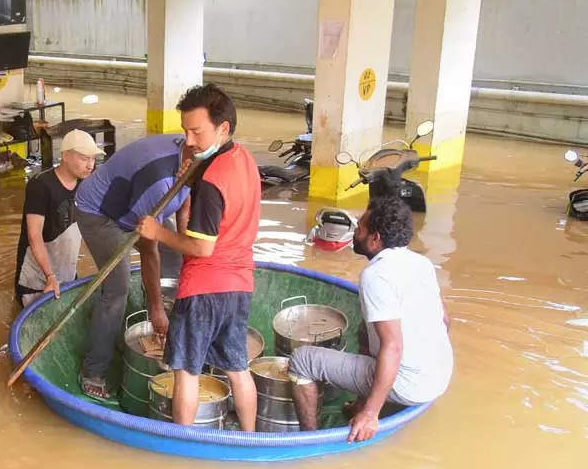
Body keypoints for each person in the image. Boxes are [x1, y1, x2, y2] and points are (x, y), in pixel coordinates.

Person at [136, 83, 261, 430]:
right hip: (239, 285)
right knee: (238, 368)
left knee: (187, 373)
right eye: (185, 131)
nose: (188, 141)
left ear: (223, 128)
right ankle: (250, 437)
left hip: (203, 288)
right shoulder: (244, 160)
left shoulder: (211, 182)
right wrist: (191, 178)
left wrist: (156, 232)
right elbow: (229, 205)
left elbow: (203, 247)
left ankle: (183, 442)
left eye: (197, 131)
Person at [286, 196, 452, 442]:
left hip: (410, 384)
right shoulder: (421, 263)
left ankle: (310, 438)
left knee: (302, 360)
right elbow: (445, 321)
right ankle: (361, 404)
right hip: (439, 375)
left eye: (360, 228)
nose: (354, 233)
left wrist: (371, 414)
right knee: (365, 332)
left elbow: (393, 347)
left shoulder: (376, 275)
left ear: (375, 239)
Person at [73, 126, 193, 399]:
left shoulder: (194, 163)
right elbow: (149, 250)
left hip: (134, 203)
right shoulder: (160, 183)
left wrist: (187, 248)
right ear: (183, 165)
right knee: (117, 288)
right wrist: (155, 308)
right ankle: (94, 369)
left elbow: (186, 206)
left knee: (175, 253)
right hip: (101, 213)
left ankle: (163, 322)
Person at [15, 130, 101, 306]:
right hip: (36, 276)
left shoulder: (85, 185)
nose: (90, 165)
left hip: (66, 270)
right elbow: (34, 235)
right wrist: (50, 276)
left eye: (93, 159)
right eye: (84, 158)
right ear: (65, 155)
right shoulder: (40, 185)